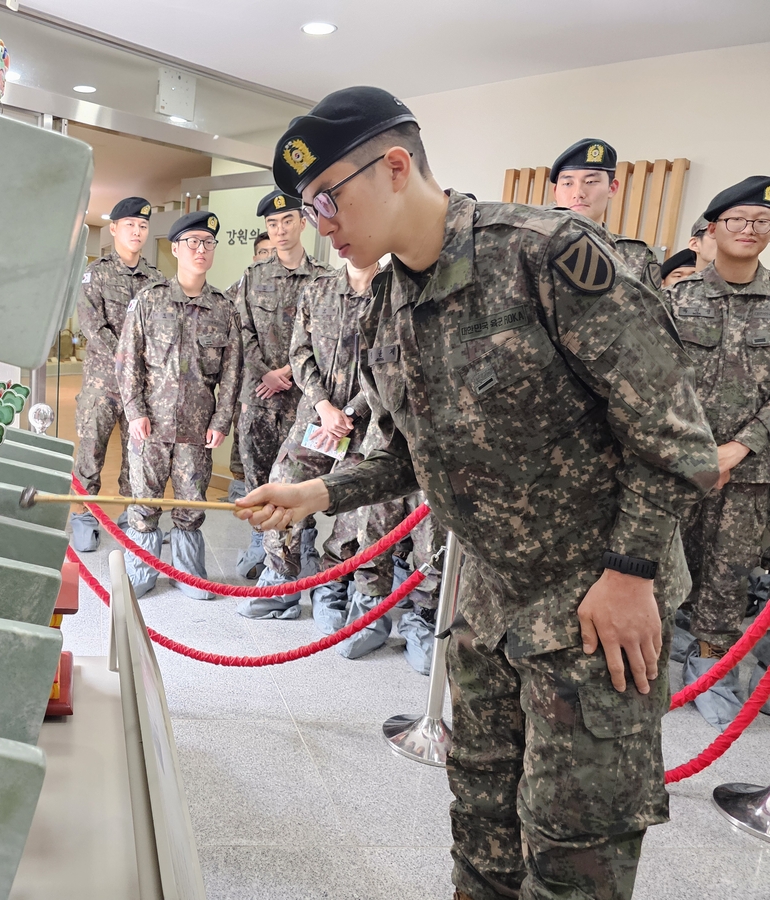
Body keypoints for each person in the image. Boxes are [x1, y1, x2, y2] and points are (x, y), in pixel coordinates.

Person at [239, 86, 718, 900]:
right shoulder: (385, 309)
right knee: (482, 830)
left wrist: (633, 572)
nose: (318, 221)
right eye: (302, 206)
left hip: (596, 611)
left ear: (395, 167)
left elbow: (676, 438)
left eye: (325, 198)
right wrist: (318, 492)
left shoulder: (545, 256)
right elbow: (404, 452)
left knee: (575, 856)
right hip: (489, 608)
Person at [667, 176, 770, 728]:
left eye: (761, 222)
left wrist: (737, 450)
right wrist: (697, 453)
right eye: (738, 220)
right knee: (665, 565)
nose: (750, 230)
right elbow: (651, 382)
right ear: (712, 229)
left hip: (752, 472)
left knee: (728, 580)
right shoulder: (673, 301)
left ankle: (710, 669)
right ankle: (658, 661)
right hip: (680, 466)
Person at [237, 258, 381, 622]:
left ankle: (332, 585)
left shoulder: (392, 293)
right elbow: (300, 353)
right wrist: (324, 405)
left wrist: (351, 412)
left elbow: (391, 361)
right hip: (316, 418)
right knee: (283, 484)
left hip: (367, 424)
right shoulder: (318, 291)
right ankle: (280, 581)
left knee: (355, 512)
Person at [117, 210, 241, 599]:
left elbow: (233, 371)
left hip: (196, 428)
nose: (200, 250)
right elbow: (127, 361)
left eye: (208, 243)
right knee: (144, 500)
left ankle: (188, 571)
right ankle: (142, 569)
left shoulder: (224, 309)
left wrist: (222, 420)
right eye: (192, 242)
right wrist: (135, 411)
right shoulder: (148, 302)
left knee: (191, 500)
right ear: (175, 249)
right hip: (150, 426)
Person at [231, 189, 332, 580]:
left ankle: (301, 549)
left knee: (298, 481)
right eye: (272, 224)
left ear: (302, 222)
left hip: (304, 399)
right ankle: (264, 546)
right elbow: (242, 330)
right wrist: (266, 373)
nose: (279, 229)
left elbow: (326, 337)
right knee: (258, 481)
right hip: (258, 398)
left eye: (287, 220)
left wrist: (288, 372)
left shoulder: (324, 279)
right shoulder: (253, 277)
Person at [70, 197, 162, 552]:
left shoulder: (155, 279)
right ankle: (83, 515)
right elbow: (93, 327)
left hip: (139, 390)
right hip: (102, 384)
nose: (136, 232)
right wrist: (131, 357)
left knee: (136, 455)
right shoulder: (97, 273)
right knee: (90, 452)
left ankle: (130, 517)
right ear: (114, 229)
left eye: (142, 226)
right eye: (129, 225)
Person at [550, 139, 663, 294]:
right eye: (568, 184)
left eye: (590, 181)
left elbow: (652, 315)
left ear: (612, 188)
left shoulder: (637, 256)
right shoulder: (530, 245)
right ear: (555, 191)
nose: (578, 194)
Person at [226, 232, 273, 505]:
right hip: (247, 381)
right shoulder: (238, 290)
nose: (269, 257)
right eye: (264, 252)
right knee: (242, 444)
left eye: (273, 251)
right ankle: (238, 498)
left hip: (283, 384)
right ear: (255, 257)